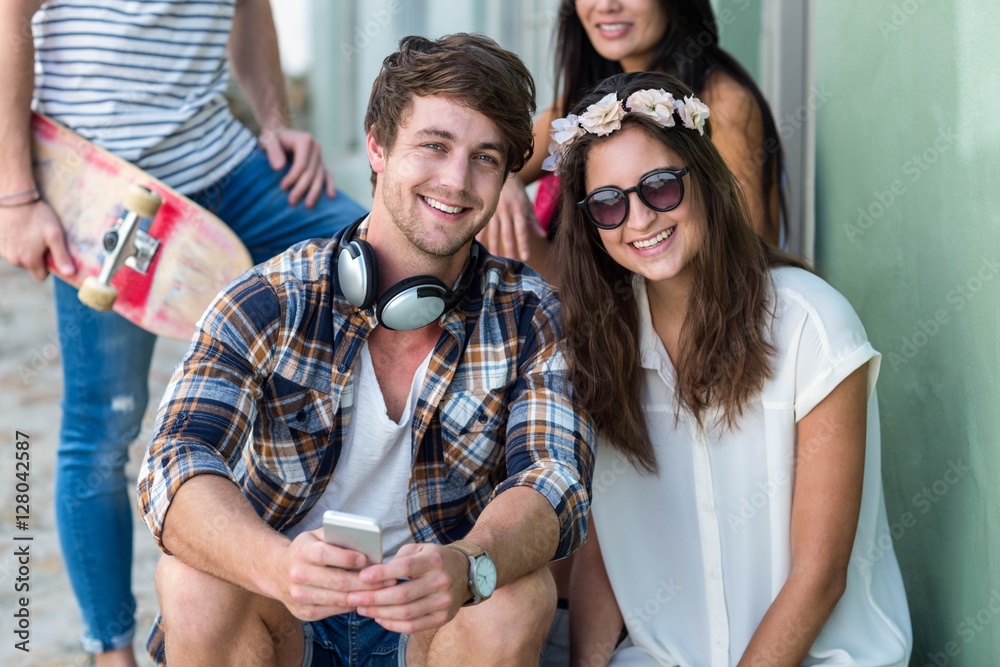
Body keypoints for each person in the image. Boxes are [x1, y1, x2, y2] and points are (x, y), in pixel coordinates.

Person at [136, 33, 596, 666]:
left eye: (485, 158)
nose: (456, 181)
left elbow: (556, 480)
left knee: (515, 596)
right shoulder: (268, 296)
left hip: (432, 623)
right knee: (190, 580)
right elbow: (174, 460)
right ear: (377, 147)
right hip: (286, 612)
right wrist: (277, 565)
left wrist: (467, 565)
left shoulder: (530, 313)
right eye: (434, 145)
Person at [0, 1, 365, 664]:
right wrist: (16, 196)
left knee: (380, 265)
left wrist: (277, 122)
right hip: (109, 198)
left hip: (229, 165)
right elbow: (9, 19)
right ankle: (111, 650)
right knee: (105, 423)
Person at [549, 71, 912, 666]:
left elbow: (820, 575)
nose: (638, 219)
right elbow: (602, 554)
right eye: (609, 203)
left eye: (660, 187)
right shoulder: (596, 346)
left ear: (706, 182)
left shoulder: (810, 324)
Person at [480, 0, 786, 278]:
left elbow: (744, 263)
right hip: (588, 306)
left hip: (664, 316)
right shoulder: (591, 101)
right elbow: (498, 159)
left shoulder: (723, 105)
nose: (606, 6)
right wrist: (506, 181)